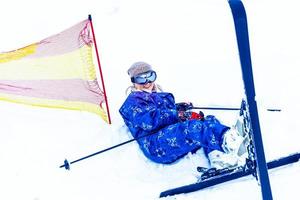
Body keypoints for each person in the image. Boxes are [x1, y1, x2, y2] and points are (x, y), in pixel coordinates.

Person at [119, 61, 246, 169]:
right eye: (141, 78)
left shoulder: (159, 96)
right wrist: (177, 114)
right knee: (190, 128)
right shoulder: (132, 102)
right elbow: (150, 121)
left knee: (208, 120)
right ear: (133, 81)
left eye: (150, 76)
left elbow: (165, 114)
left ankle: (219, 159)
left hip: (169, 136)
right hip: (156, 145)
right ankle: (231, 142)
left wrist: (179, 108)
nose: (147, 82)